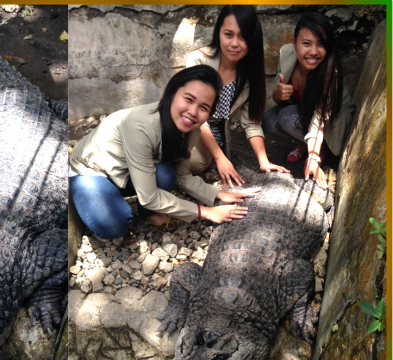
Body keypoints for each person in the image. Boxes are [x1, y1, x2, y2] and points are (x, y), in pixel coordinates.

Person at [69, 65, 261, 240]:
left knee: (166, 173)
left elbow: (182, 174)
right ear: (171, 93)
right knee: (113, 226)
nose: (193, 112)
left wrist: (216, 193)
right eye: (188, 99)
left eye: (204, 108)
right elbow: (150, 196)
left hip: (128, 170)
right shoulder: (140, 126)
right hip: (92, 171)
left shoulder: (191, 130)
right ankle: (90, 197)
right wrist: (207, 212)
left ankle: (145, 211)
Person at [186, 5, 289, 188]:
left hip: (218, 133)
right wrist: (219, 159)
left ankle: (208, 162)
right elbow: (196, 118)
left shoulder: (249, 75)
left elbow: (251, 123)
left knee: (205, 163)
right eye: (228, 34)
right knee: (195, 163)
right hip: (191, 126)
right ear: (218, 33)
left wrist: (264, 161)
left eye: (243, 37)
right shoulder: (198, 60)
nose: (235, 43)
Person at [264, 12, 356, 190]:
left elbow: (319, 119)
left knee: (286, 117)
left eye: (320, 45)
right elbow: (281, 98)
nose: (313, 52)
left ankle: (322, 149)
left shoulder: (331, 74)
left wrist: (314, 157)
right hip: (302, 111)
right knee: (268, 120)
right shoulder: (286, 53)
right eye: (306, 43)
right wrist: (277, 94)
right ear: (294, 44)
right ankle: (305, 143)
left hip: (332, 122)